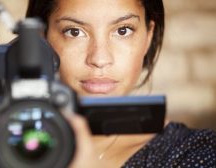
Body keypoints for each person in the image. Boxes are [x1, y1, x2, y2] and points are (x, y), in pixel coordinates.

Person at [26, 0, 216, 167]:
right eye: (74, 32)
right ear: (42, 39)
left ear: (147, 37)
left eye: (122, 31)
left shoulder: (196, 153)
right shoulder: (6, 143)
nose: (100, 59)